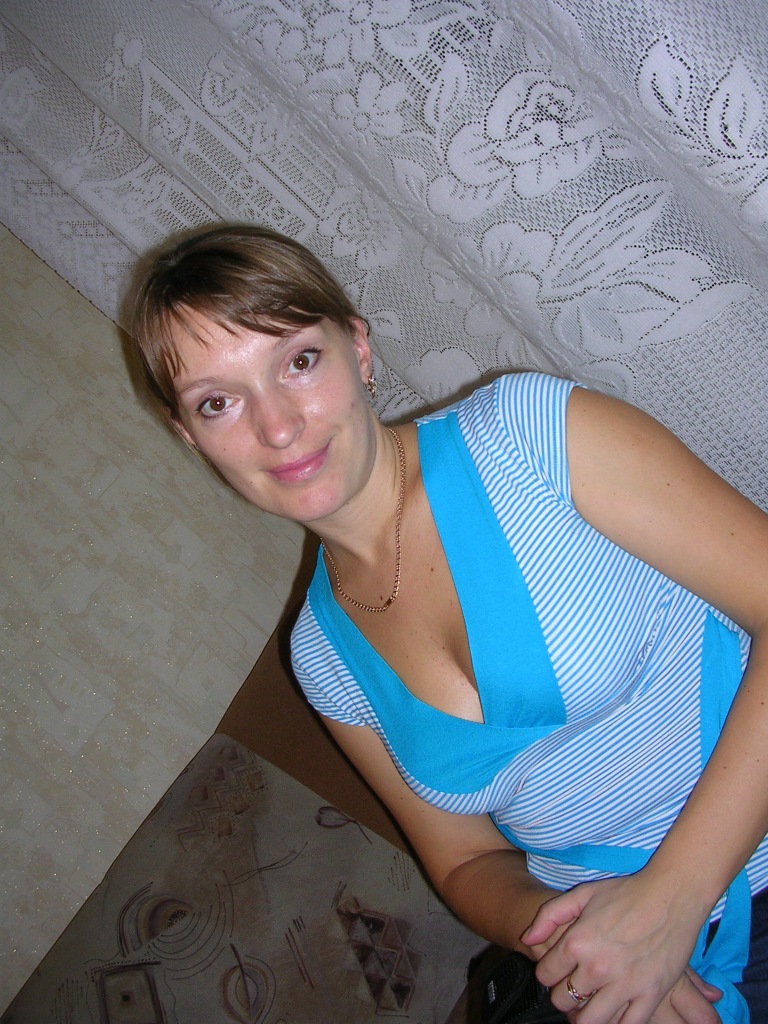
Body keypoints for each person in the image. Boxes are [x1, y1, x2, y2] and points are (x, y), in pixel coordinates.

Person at [130, 222, 768, 1024]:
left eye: (298, 361)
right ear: (190, 437)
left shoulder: (526, 436)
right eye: (218, 403)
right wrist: (581, 943)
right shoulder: (323, 658)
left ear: (359, 349)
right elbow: (465, 863)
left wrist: (670, 902)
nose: (279, 427)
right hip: (605, 955)